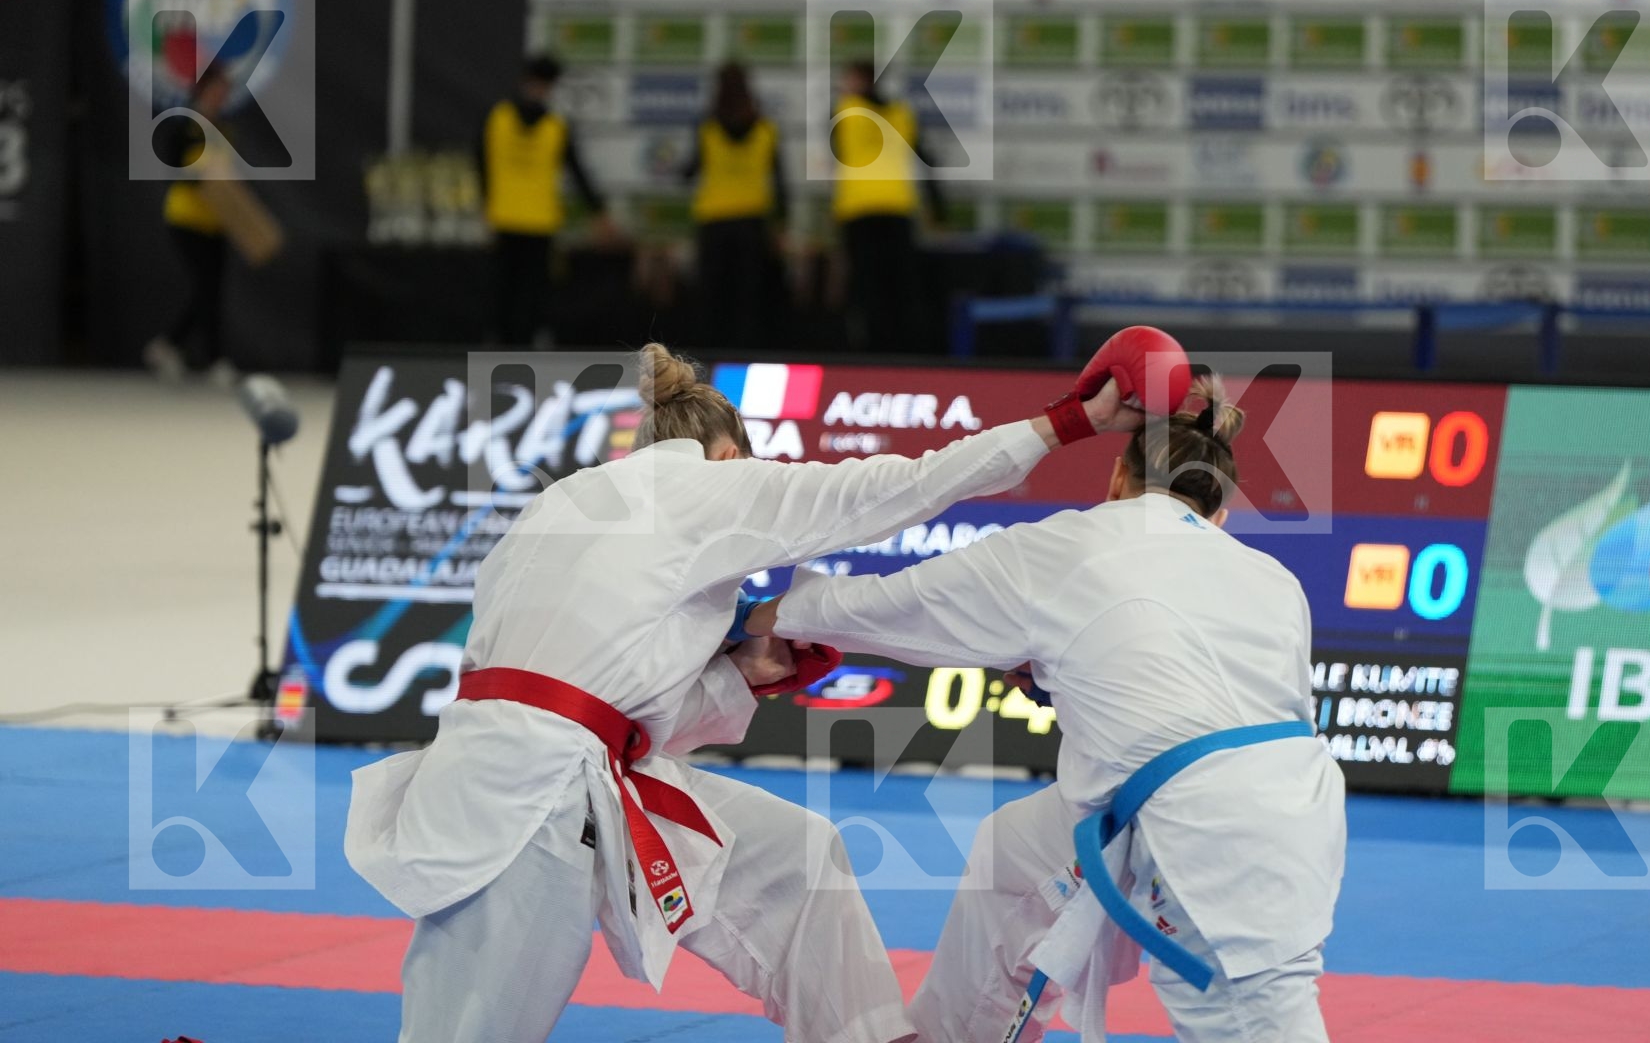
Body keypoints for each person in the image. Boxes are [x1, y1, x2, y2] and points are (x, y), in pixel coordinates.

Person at [343, 341, 1147, 1043]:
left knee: (797, 862)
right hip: (530, 797)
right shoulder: (711, 488)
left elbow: (609, 710)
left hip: (544, 765)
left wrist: (740, 674)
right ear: (731, 456)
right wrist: (1068, 423)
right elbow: (902, 485)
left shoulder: (555, 506)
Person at [749, 372, 1347, 1043]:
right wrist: (1062, 677)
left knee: (1250, 1023)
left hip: (1205, 826)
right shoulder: (1275, 579)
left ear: (1116, 480)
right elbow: (1211, 706)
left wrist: (756, 617)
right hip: (1299, 812)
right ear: (1219, 518)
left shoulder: (1070, 544)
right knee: (1013, 854)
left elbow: (891, 606)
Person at [477, 54, 612, 346]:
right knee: (517, 289)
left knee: (517, 289)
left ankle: (510, 344)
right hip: (521, 219)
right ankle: (510, 343)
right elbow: (482, 164)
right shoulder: (543, 124)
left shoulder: (502, 117)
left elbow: (481, 166)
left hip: (524, 219)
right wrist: (598, 212)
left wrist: (598, 212)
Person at [829, 58, 945, 355]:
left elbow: (837, 149)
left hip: (858, 209)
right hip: (897, 208)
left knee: (865, 286)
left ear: (860, 81)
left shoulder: (844, 109)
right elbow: (926, 158)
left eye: (848, 78)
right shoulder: (902, 113)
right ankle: (903, 351)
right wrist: (938, 207)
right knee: (900, 286)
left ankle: (867, 351)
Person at [682, 61, 787, 349]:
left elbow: (690, 171)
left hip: (714, 220)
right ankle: (745, 354)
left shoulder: (707, 127)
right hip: (752, 222)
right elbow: (780, 181)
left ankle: (709, 356)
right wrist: (781, 223)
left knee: (712, 295)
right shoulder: (766, 128)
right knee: (748, 297)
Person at [143, 69, 237, 386]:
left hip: (217, 222)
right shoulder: (185, 125)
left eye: (225, 91)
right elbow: (175, 167)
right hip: (186, 218)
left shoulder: (225, 129)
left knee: (212, 290)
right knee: (205, 288)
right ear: (203, 90)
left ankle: (170, 346)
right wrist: (200, 176)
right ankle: (211, 358)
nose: (221, 96)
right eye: (217, 89)